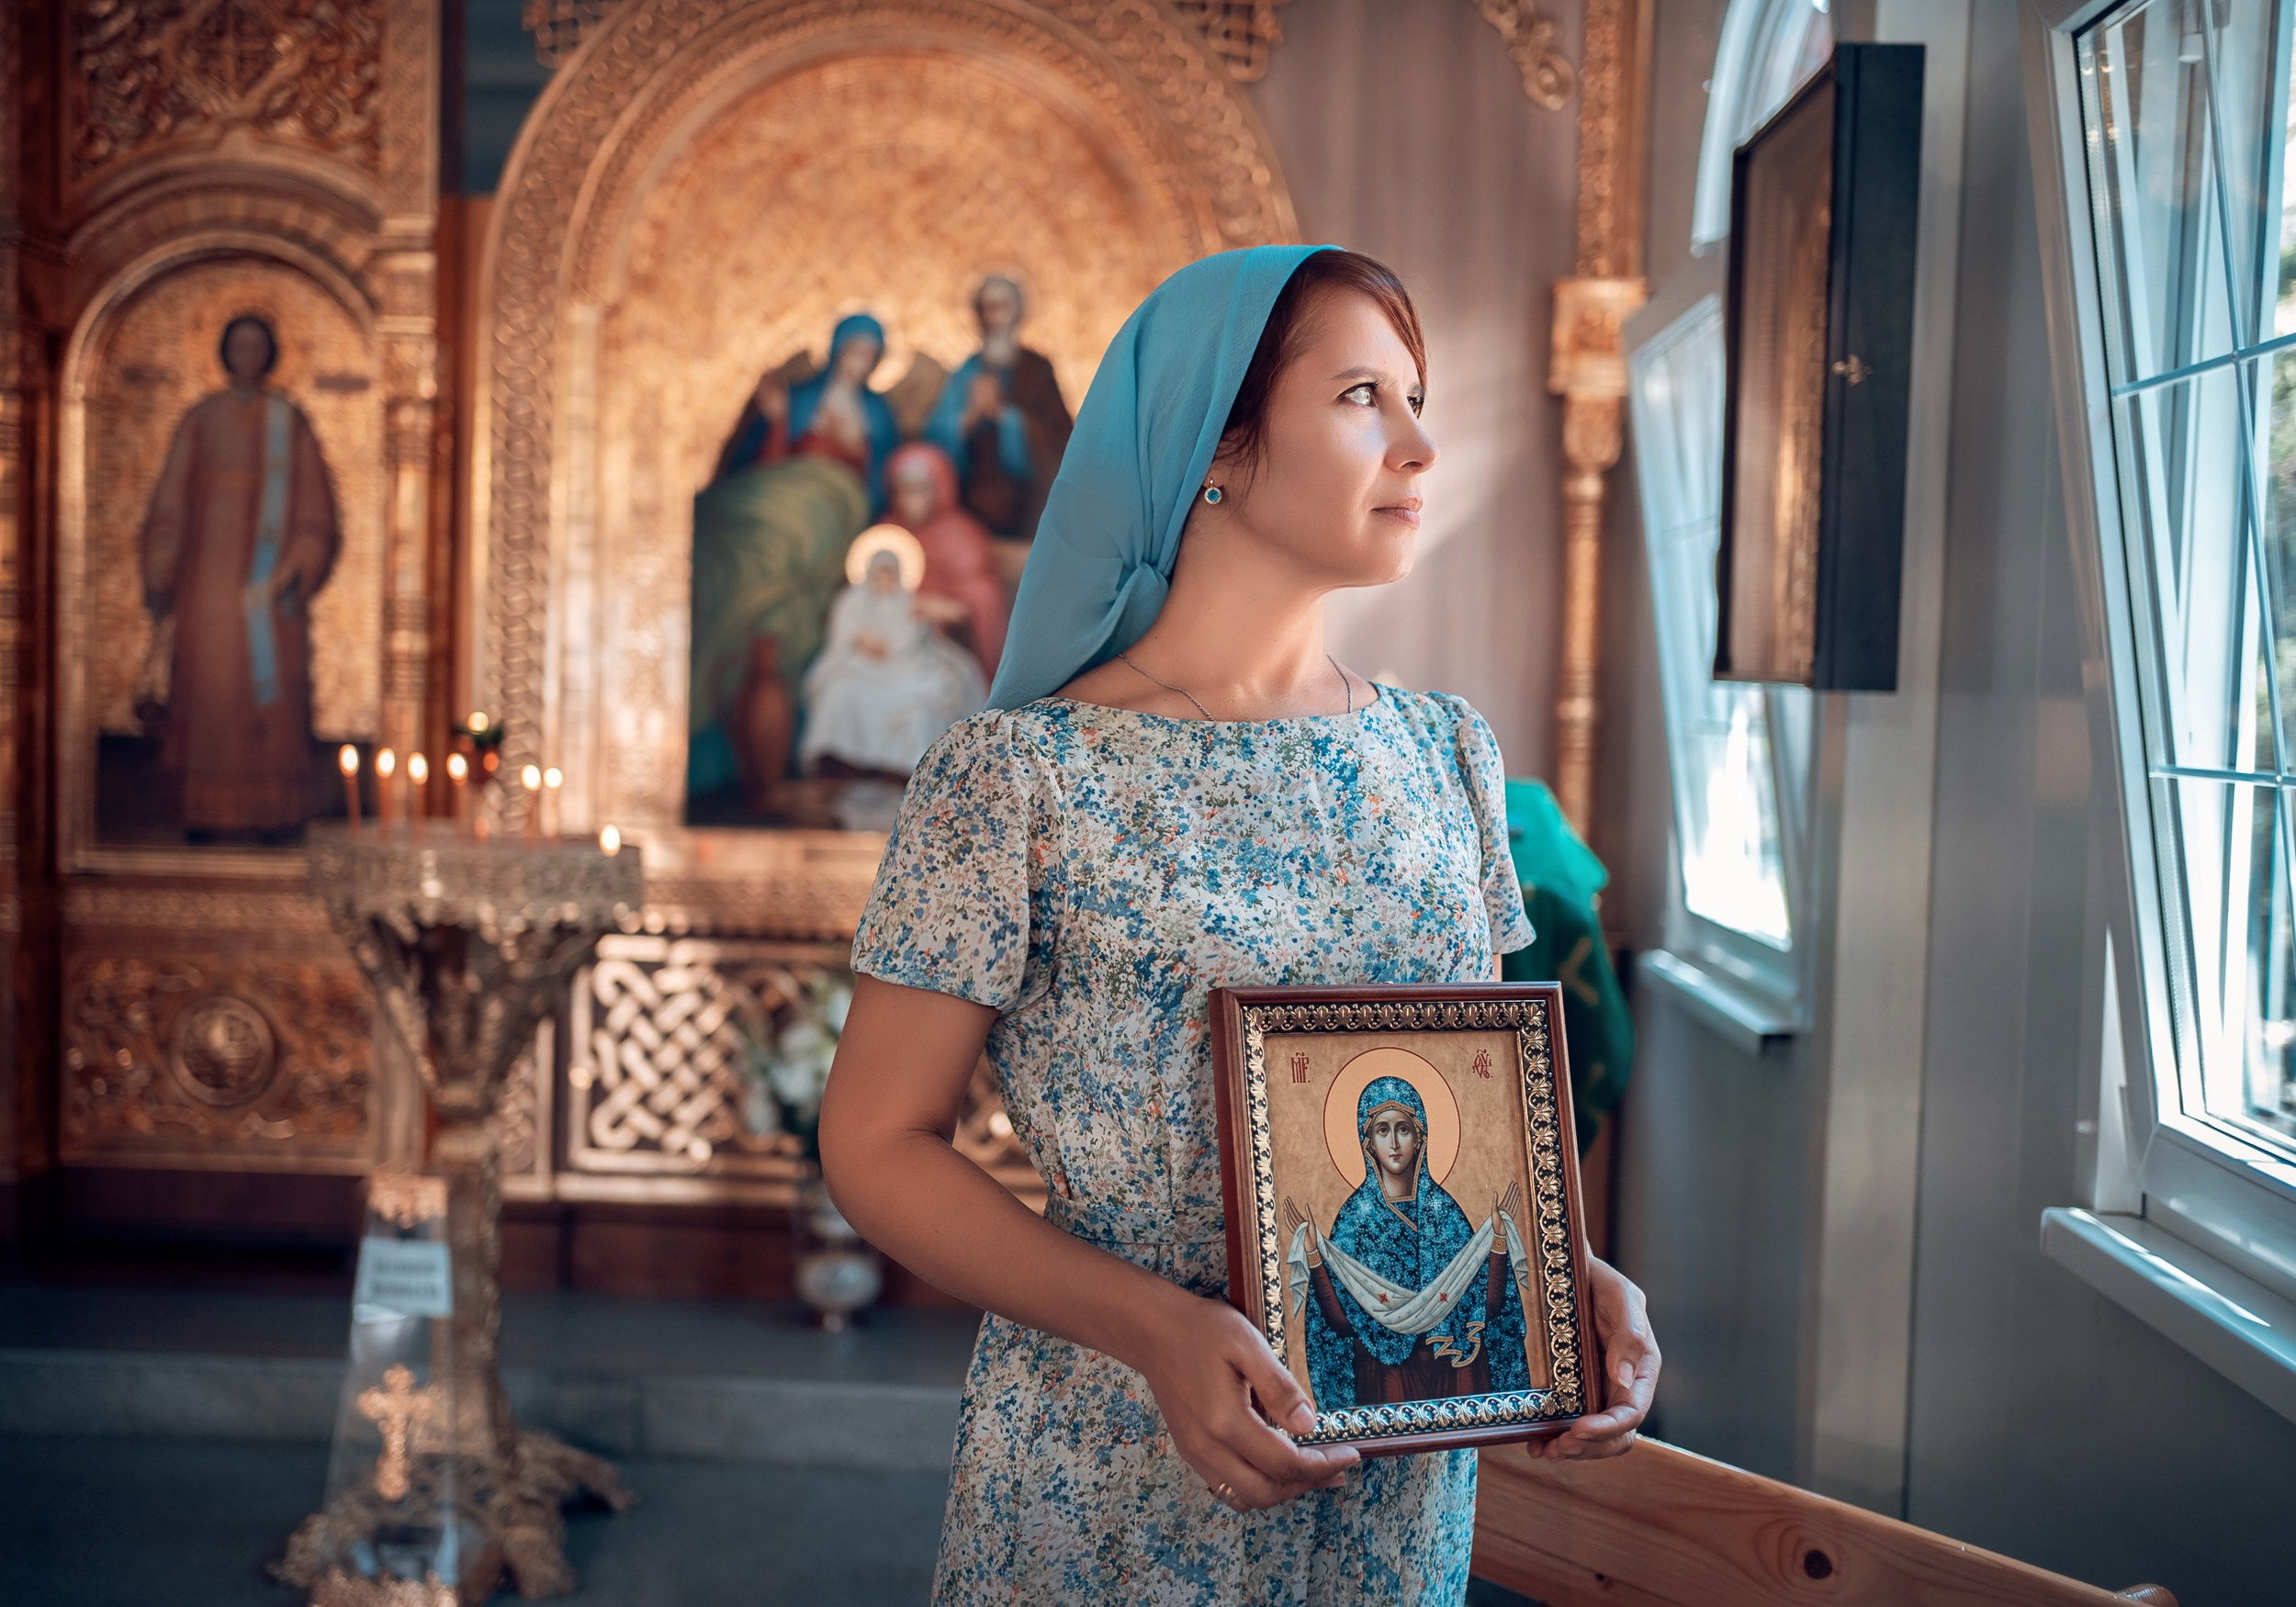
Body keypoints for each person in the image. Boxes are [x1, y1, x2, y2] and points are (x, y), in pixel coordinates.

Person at [820, 247, 1660, 1605]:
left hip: (1397, 1495)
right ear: (1215, 440)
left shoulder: (1447, 754)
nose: (1419, 444)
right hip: (1113, 1475)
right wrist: (1155, 1328)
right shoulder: (1018, 776)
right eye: (1361, 396)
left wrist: (1566, 1278)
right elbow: (873, 1142)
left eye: (1418, 400)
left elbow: (1468, 1109)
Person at [139, 313, 340, 839]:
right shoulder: (201, 419)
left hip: (269, 592)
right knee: (210, 690)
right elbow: (171, 502)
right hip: (207, 587)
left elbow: (315, 512)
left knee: (266, 702)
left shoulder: (288, 422)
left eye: (257, 347)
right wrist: (162, 564)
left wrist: (298, 562)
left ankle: (271, 814)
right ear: (225, 353)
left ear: (270, 353)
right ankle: (202, 814)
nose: (248, 356)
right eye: (239, 346)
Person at [689, 315, 896, 808]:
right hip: (783, 489)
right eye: (853, 350)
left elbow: (879, 479)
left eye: (869, 354)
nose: (858, 361)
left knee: (783, 575)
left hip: (834, 504)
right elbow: (768, 456)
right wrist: (779, 417)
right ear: (837, 350)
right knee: (723, 532)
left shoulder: (878, 414)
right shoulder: (802, 396)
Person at [1286, 1076, 1531, 1412]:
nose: (1394, 1143)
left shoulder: (1444, 1212)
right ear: (1368, 1142)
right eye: (1382, 1130)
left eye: (1403, 1129)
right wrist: (1315, 1254)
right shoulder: (1356, 1218)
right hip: (1385, 1380)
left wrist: (1498, 1240)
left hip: (1450, 1375)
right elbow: (1342, 1322)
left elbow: (1484, 1310)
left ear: (1419, 1137)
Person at [799, 535, 988, 777]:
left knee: (927, 699)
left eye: (890, 574)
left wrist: (916, 623)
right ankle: (843, 765)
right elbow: (843, 639)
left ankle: (905, 771)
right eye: (880, 574)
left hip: (904, 668)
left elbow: (911, 643)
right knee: (839, 690)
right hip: (859, 668)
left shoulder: (908, 602)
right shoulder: (851, 601)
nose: (885, 580)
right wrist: (860, 640)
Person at [922, 275, 1073, 538]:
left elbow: (1059, 433)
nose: (996, 317)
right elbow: (937, 433)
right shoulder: (967, 370)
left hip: (1029, 493)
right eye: (988, 307)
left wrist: (1004, 417)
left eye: (1004, 306)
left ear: (1018, 311)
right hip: (973, 488)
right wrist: (969, 416)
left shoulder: (1037, 369)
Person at [885, 442, 1009, 679]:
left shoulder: (961, 536)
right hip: (894, 643)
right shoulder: (888, 533)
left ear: (940, 489)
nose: (909, 501)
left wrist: (948, 608)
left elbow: (981, 597)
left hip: (945, 647)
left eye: (919, 490)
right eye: (903, 491)